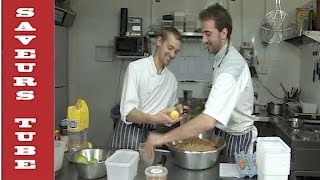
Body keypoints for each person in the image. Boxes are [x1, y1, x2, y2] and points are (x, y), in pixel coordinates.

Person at [145, 3, 257, 161]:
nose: (203, 40)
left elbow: (207, 120)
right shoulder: (221, 58)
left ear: (223, 33)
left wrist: (162, 138)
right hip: (226, 133)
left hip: (238, 139)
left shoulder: (231, 67)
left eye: (208, 34)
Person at [111, 27, 187, 150]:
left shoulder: (171, 79)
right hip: (130, 132)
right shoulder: (136, 68)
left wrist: (177, 111)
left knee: (148, 168)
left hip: (153, 136)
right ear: (159, 42)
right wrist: (152, 118)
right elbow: (129, 113)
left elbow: (169, 115)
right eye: (170, 48)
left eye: (176, 51)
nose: (172, 55)